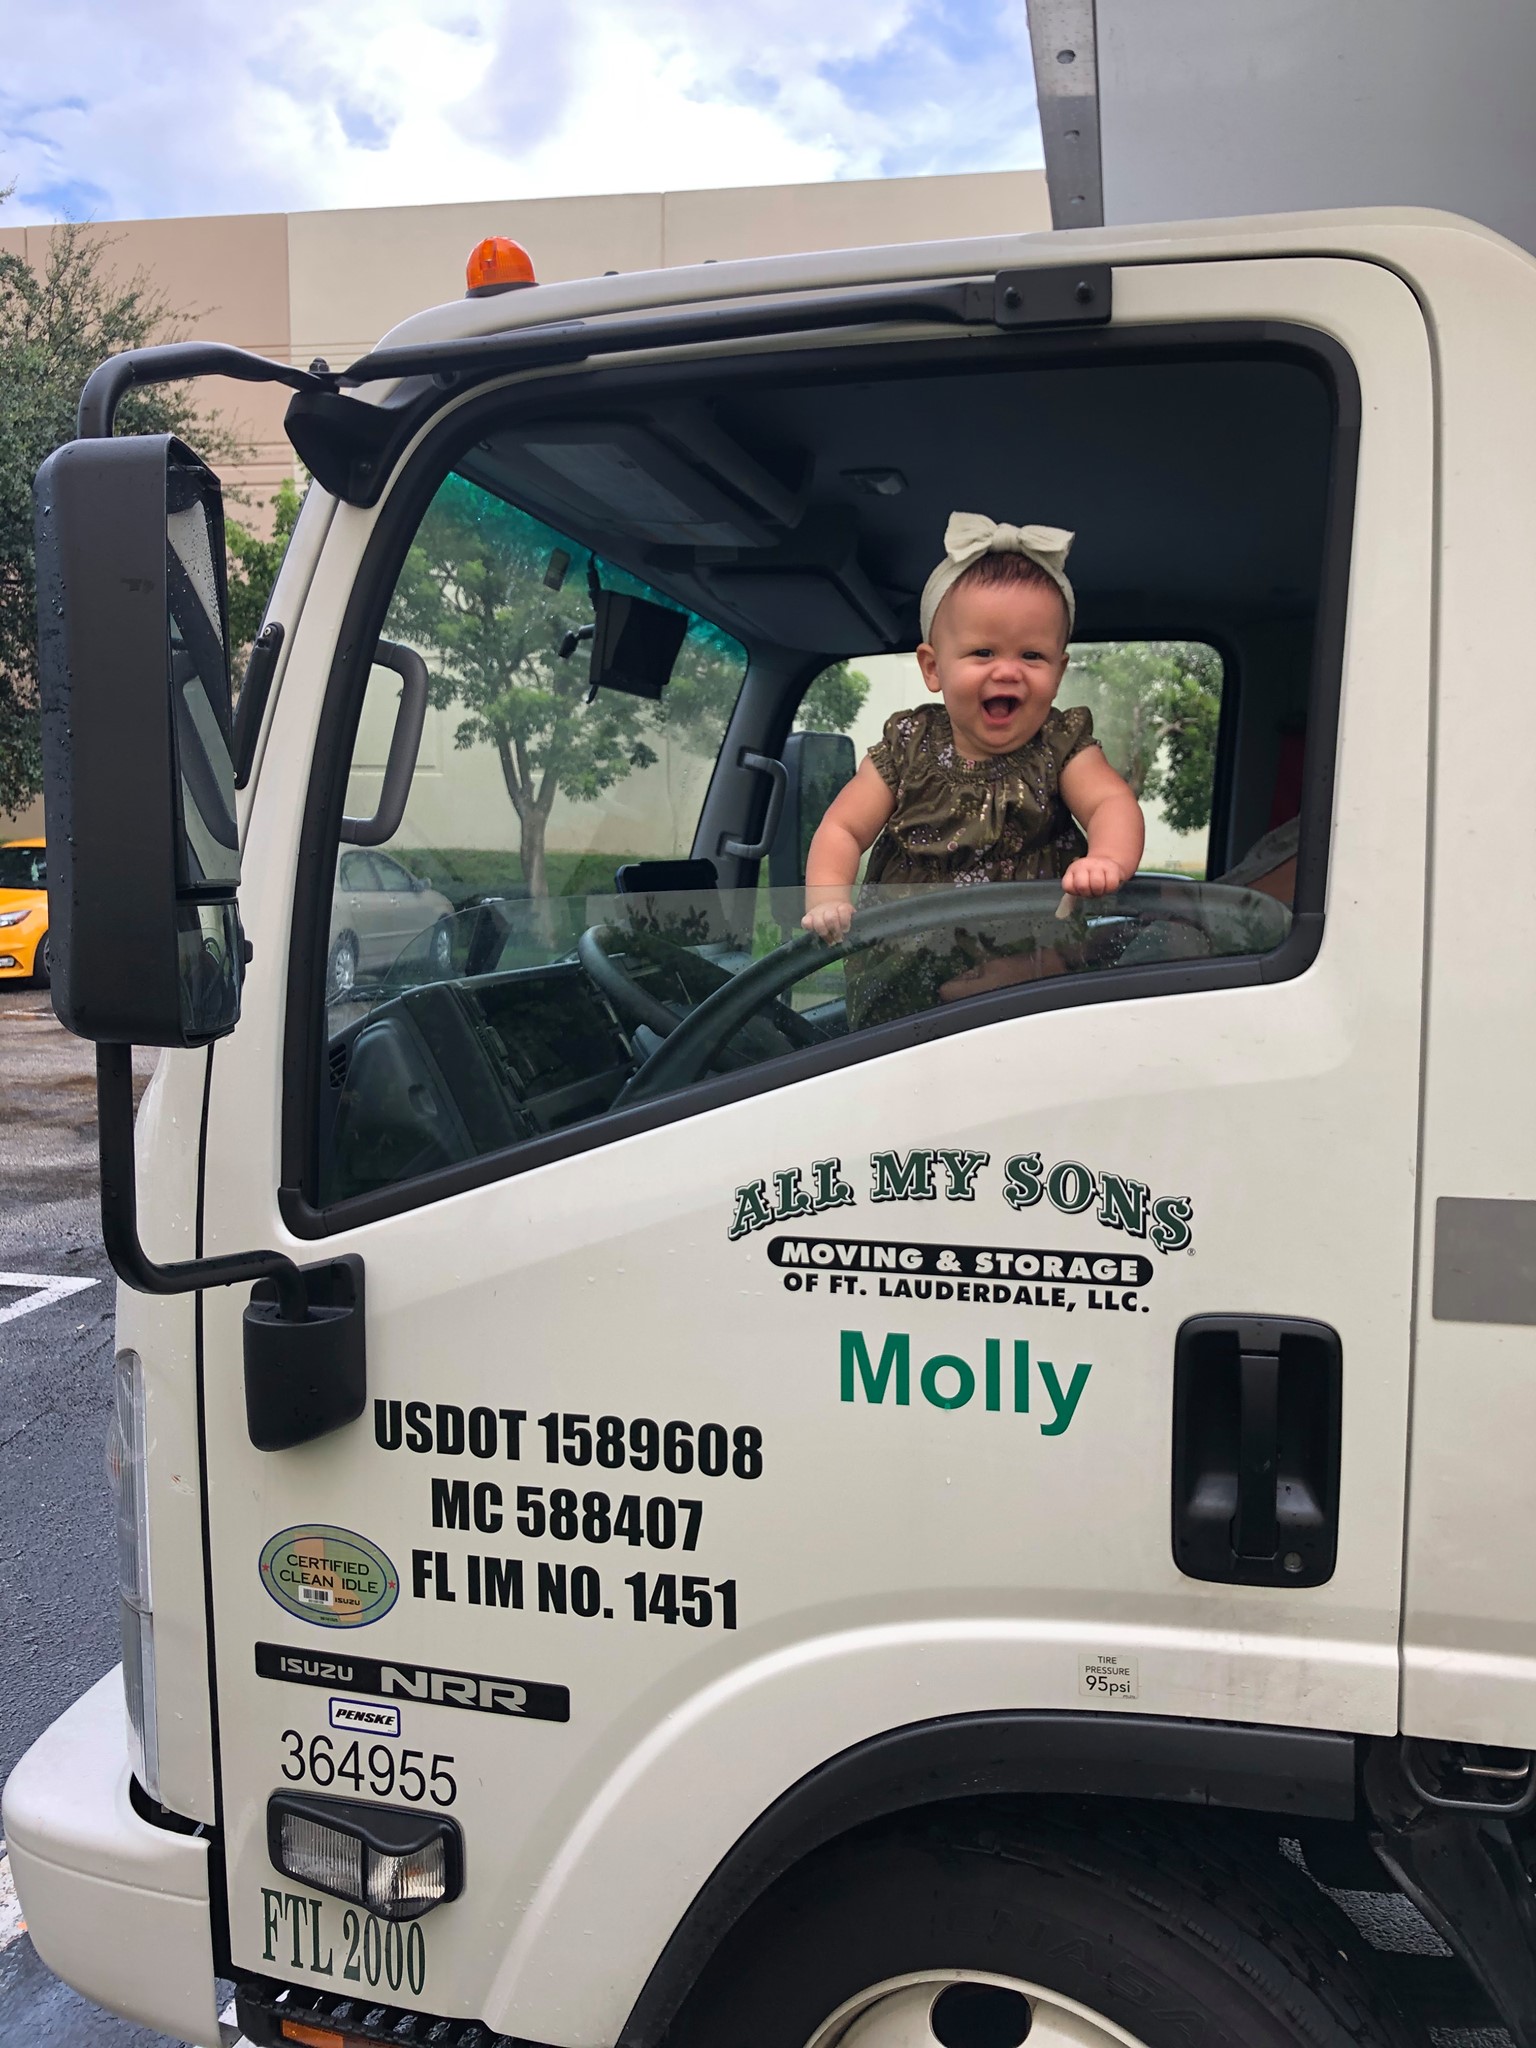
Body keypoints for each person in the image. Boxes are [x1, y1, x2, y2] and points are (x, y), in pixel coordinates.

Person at [801, 513, 1144, 1012]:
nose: (1008, 671)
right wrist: (828, 900)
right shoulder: (908, 745)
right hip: (899, 975)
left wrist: (1107, 859)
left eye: (1032, 656)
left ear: (1058, 671)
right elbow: (842, 828)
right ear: (933, 667)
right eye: (983, 652)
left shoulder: (1059, 746)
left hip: (1029, 974)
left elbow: (1110, 802)